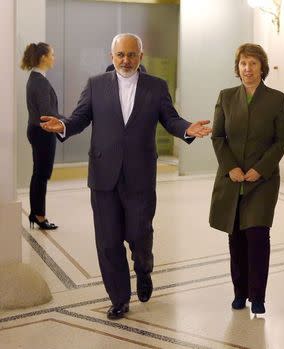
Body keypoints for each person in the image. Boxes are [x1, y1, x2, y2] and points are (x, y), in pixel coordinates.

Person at [40, 33, 212, 320]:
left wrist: (186, 128)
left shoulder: (156, 87)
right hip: (103, 176)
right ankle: (119, 298)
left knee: (139, 235)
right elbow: (80, 117)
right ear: (112, 57)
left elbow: (170, 118)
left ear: (140, 57)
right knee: (108, 242)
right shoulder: (95, 85)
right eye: (120, 55)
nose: (126, 60)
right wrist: (63, 125)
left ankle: (143, 269)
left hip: (140, 176)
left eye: (132, 55)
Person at [209, 43, 284, 315]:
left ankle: (258, 296)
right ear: (238, 67)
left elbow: (282, 140)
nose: (248, 69)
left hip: (262, 181)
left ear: (262, 67)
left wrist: (261, 168)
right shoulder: (226, 96)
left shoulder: (277, 99)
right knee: (236, 240)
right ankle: (239, 292)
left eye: (253, 63)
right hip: (231, 180)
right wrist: (230, 167)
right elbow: (218, 137)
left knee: (257, 236)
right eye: (243, 63)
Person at [21, 42, 60, 230]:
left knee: (38, 173)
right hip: (42, 131)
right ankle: (39, 216)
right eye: (52, 54)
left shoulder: (35, 78)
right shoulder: (40, 81)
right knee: (41, 174)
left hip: (36, 130)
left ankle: (36, 213)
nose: (54, 58)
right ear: (43, 57)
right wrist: (67, 121)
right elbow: (47, 113)